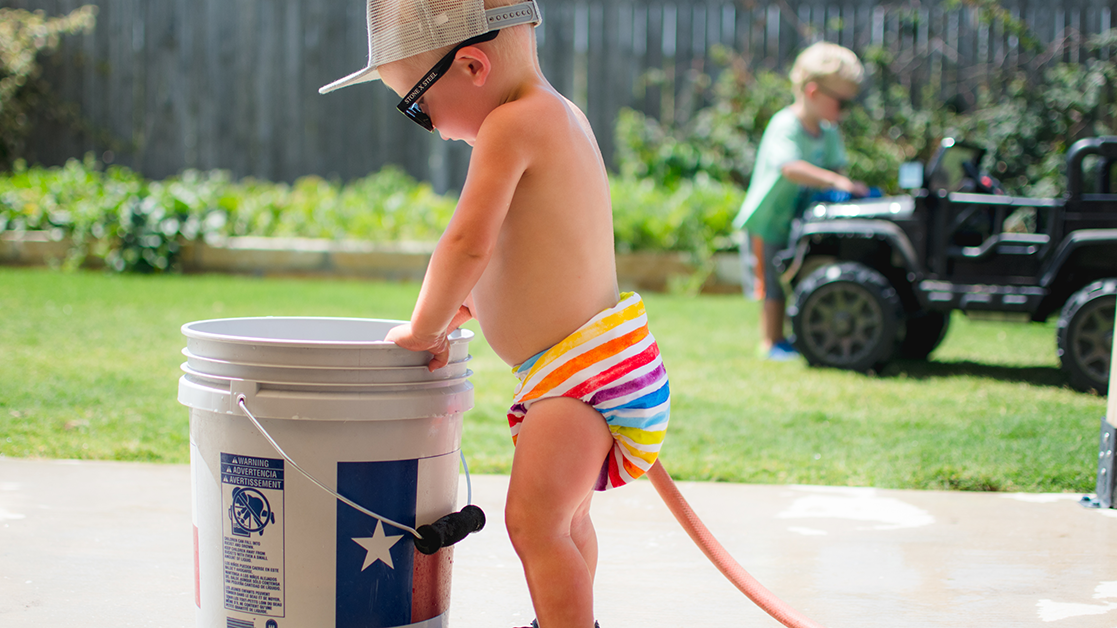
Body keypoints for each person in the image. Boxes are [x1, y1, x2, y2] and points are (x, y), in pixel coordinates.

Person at [319, 2, 670, 627]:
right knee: (564, 522)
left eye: (417, 107)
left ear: (472, 66)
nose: (424, 122)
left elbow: (466, 242)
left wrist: (423, 325)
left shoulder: (511, 126)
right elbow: (541, 251)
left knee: (533, 525)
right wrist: (475, 302)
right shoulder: (563, 116)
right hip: (602, 368)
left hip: (578, 378)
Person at [733, 41, 868, 361]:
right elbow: (791, 168)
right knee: (772, 285)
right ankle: (770, 341)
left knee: (796, 276)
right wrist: (836, 181)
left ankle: (795, 336)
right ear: (812, 92)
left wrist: (844, 185)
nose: (844, 111)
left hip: (798, 221)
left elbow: (838, 168)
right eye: (842, 103)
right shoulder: (786, 125)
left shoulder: (828, 132)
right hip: (765, 222)